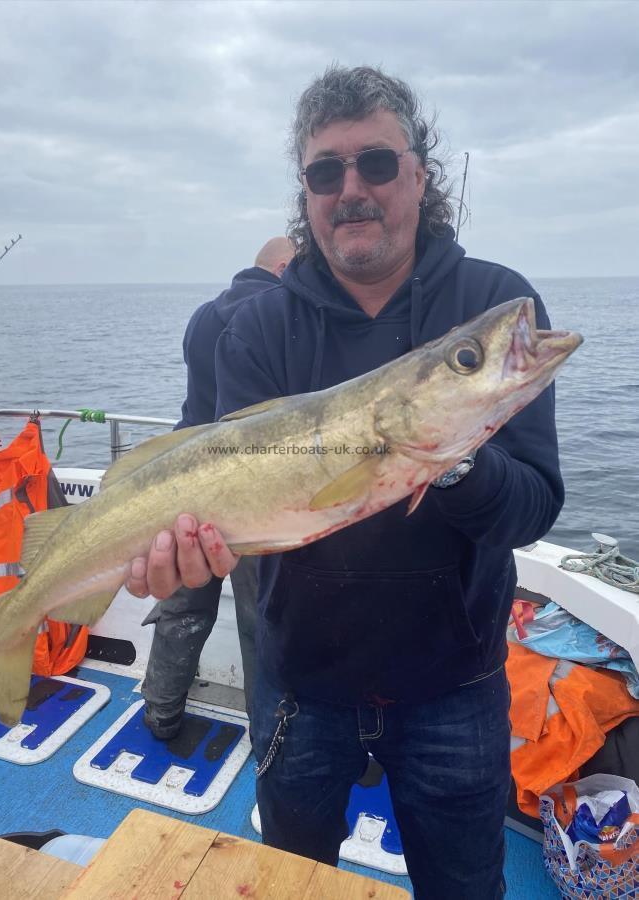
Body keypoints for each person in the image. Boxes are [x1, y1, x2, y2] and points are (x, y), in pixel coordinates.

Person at [126, 66, 565, 899]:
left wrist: (449, 453)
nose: (350, 189)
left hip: (455, 689)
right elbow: (233, 502)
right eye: (326, 171)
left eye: (375, 163)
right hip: (302, 688)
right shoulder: (255, 328)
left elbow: (535, 509)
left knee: (467, 888)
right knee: (293, 884)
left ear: (419, 175)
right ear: (306, 191)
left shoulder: (494, 302)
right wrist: (183, 554)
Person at [141, 237, 294, 739]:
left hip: (185, 483)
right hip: (245, 495)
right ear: (284, 267)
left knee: (183, 608)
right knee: (258, 623)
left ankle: (161, 712)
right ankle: (264, 738)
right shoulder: (278, 319)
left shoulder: (203, 315)